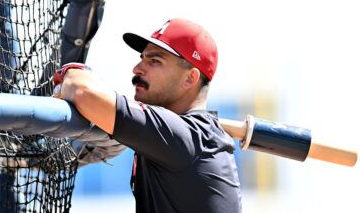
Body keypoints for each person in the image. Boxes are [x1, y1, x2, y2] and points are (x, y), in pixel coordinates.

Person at [54, 18, 242, 212]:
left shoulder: (184, 135)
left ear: (190, 78)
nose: (137, 69)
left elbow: (83, 92)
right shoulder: (196, 134)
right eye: (142, 58)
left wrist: (71, 73)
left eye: (155, 61)